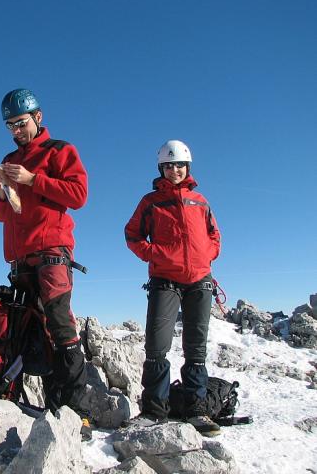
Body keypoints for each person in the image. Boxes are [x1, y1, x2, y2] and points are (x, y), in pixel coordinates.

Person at [0, 88, 92, 439]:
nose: (16, 130)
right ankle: (49, 406)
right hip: (20, 260)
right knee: (29, 332)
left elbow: (78, 195)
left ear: (38, 117)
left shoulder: (59, 151)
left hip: (51, 253)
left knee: (60, 327)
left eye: (21, 123)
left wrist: (32, 179)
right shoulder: (9, 159)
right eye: (10, 125)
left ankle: (76, 413)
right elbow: (3, 214)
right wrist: (1, 189)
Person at [124, 139, 222, 436]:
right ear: (161, 169)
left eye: (179, 165)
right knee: (157, 347)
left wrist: (206, 256)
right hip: (164, 280)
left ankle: (196, 411)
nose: (174, 170)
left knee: (196, 349)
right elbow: (132, 235)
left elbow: (214, 235)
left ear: (187, 167)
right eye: (168, 166)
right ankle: (154, 412)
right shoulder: (150, 202)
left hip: (200, 281)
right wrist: (154, 254)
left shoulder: (200, 201)